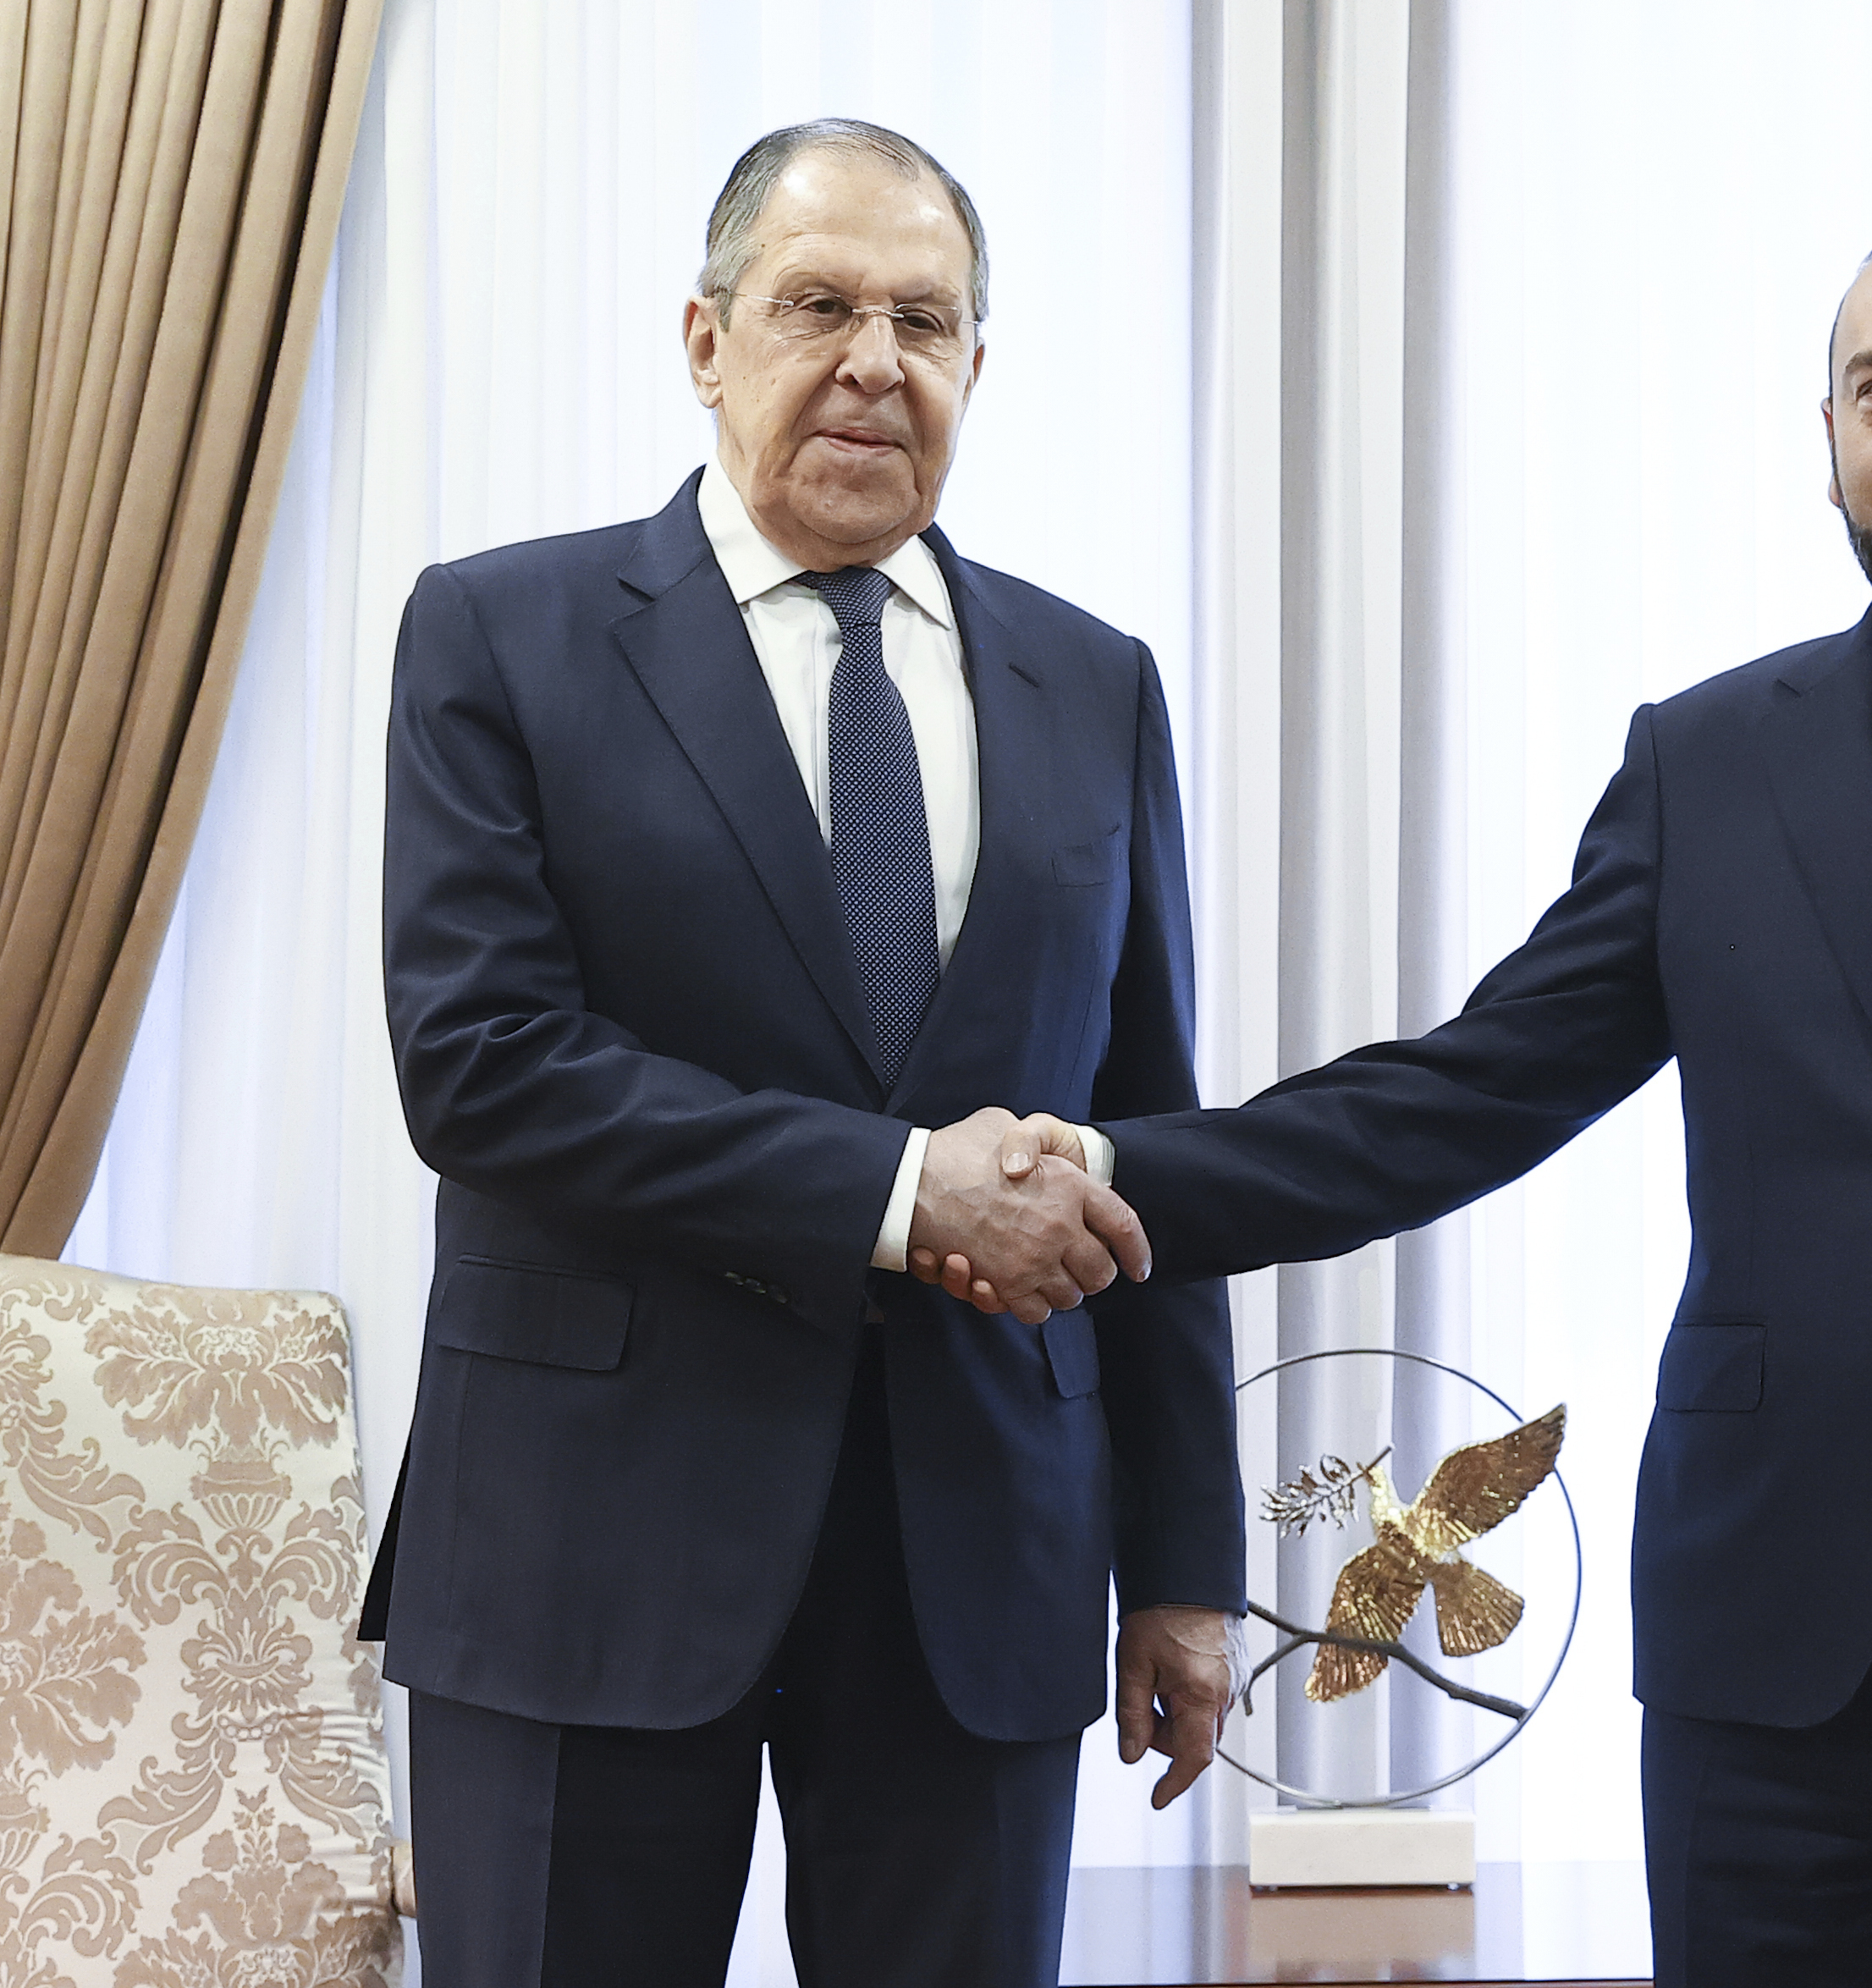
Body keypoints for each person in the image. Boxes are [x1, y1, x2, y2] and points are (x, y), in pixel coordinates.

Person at [944, 215, 1872, 1984]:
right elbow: (1464, 1091)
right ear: (1828, 434)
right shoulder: (1706, 757)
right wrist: (1116, 1167)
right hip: (1769, 1649)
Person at [366, 119, 1242, 1988]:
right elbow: (484, 1064)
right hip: (584, 1544)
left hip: (979, 1554)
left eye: (925, 320)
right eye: (817, 304)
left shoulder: (1095, 684)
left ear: (977, 370)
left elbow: (1147, 1138)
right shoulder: (499, 635)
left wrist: (1180, 1556)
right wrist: (906, 1187)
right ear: (705, 339)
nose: (872, 360)